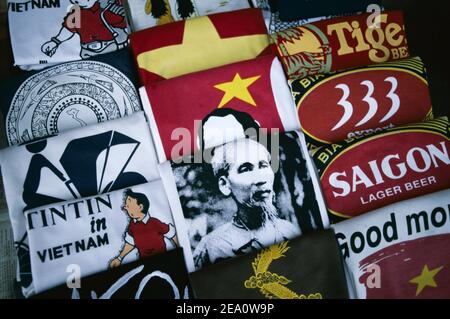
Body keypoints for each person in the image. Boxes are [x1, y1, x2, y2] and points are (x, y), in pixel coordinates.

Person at [192, 138, 300, 268]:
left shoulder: (289, 230)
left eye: (263, 165)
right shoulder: (212, 248)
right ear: (225, 185)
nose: (261, 178)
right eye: (246, 169)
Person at [109, 189, 178, 268]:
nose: (125, 208)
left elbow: (172, 235)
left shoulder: (155, 223)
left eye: (128, 205)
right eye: (126, 206)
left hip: (163, 261)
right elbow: (130, 243)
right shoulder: (132, 226)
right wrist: (119, 258)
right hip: (144, 264)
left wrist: (181, 254)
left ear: (140, 207)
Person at [41, 0, 128, 59]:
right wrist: (55, 42)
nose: (80, 2)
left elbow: (124, 23)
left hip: (110, 48)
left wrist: (115, 8)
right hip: (86, 51)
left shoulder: (108, 9)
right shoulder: (76, 13)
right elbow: (68, 29)